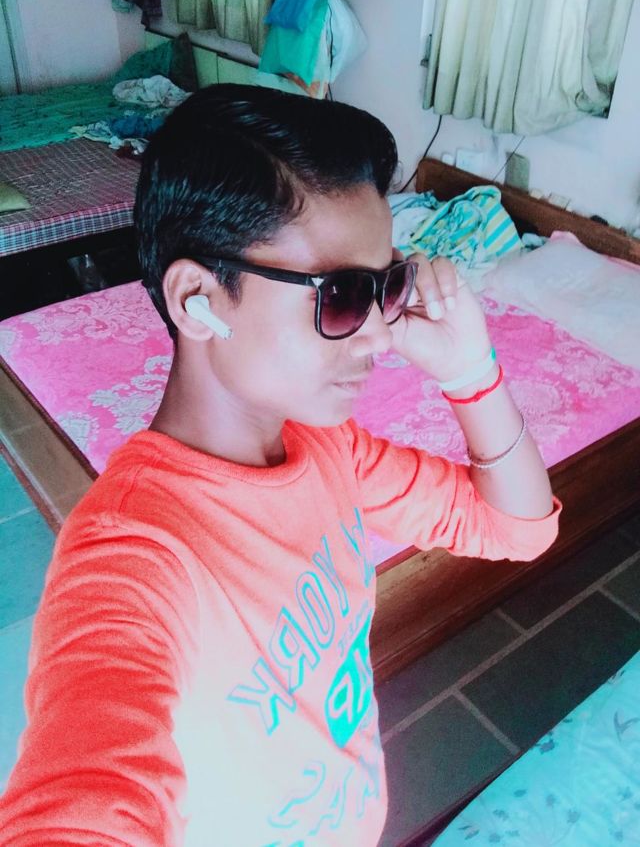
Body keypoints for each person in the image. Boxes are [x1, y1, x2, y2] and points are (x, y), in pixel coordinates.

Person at [0, 85, 560, 846]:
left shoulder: (329, 447)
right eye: (343, 295)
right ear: (197, 299)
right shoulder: (132, 555)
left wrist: (472, 372)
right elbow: (81, 801)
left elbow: (519, 526)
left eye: (387, 286)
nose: (379, 336)